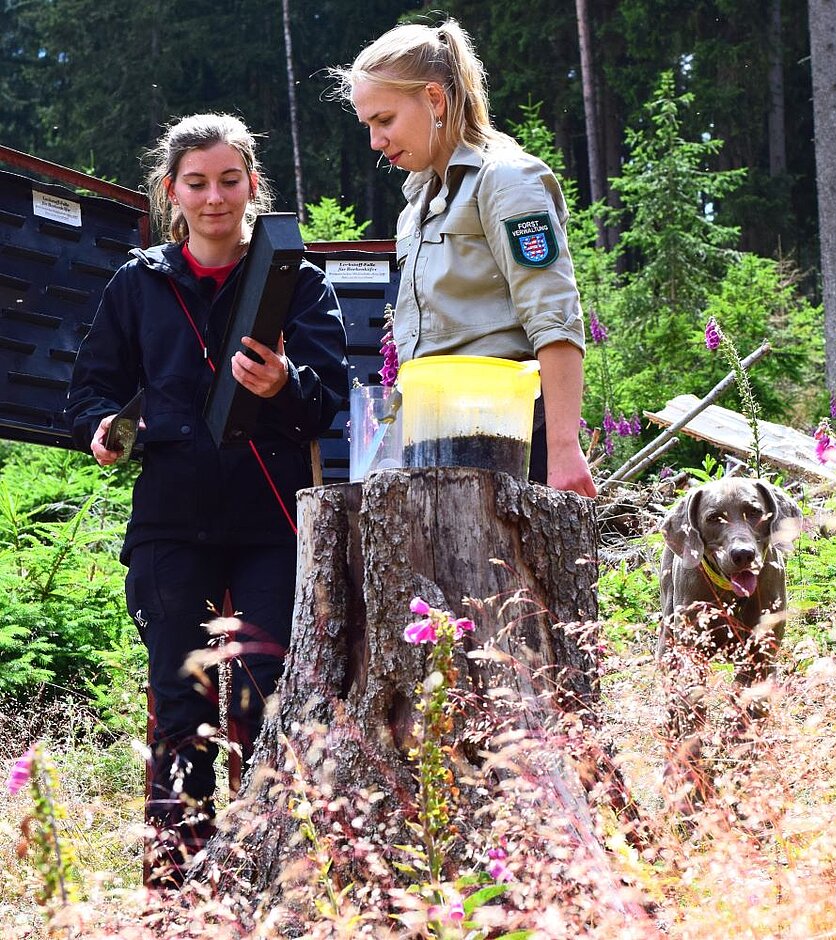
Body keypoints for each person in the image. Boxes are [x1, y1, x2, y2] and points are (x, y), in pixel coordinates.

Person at [66, 113, 348, 888]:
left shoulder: (299, 280)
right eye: (198, 182)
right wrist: (102, 426)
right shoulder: (138, 282)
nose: (215, 197)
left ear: (254, 185)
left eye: (230, 180)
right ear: (171, 193)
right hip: (171, 527)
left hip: (270, 526)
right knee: (180, 703)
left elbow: (330, 405)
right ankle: (178, 888)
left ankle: (263, 877)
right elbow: (89, 389)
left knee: (264, 703)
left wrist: (284, 384)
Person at [331, 19, 597, 498]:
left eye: (385, 120)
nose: (375, 141)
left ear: (434, 98)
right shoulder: (416, 204)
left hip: (510, 442)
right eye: (368, 125)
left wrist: (563, 448)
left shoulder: (506, 180)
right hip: (437, 440)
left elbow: (554, 316)